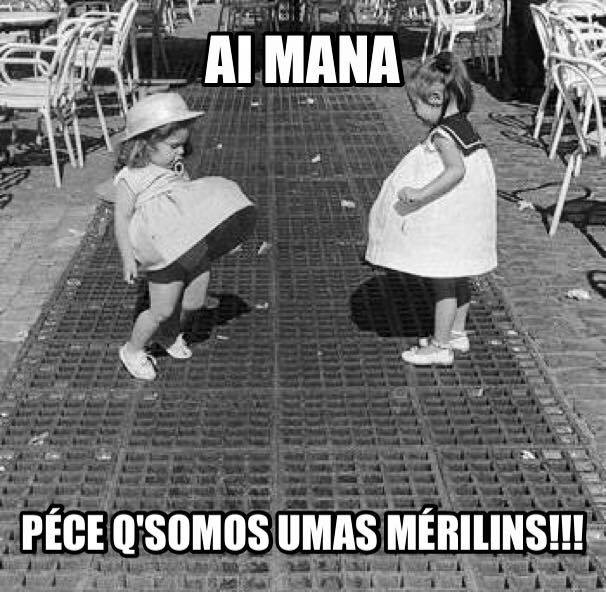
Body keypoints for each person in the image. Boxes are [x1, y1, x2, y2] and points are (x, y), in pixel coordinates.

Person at [366, 51, 497, 366]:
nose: (415, 113)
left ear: (437, 98)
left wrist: (420, 194)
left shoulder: (443, 135)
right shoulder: (463, 126)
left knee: (443, 282)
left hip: (450, 218)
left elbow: (455, 171)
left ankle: (439, 346)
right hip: (465, 217)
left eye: (417, 105)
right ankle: (456, 332)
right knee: (459, 274)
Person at [114, 92, 256, 380]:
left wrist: (215, 229)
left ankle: (168, 335)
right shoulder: (131, 177)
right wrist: (128, 257)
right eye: (174, 146)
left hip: (190, 245)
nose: (181, 151)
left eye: (183, 144)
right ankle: (133, 349)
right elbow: (122, 217)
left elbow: (189, 204)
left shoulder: (174, 166)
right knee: (162, 310)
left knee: (194, 302)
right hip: (161, 250)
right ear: (146, 142)